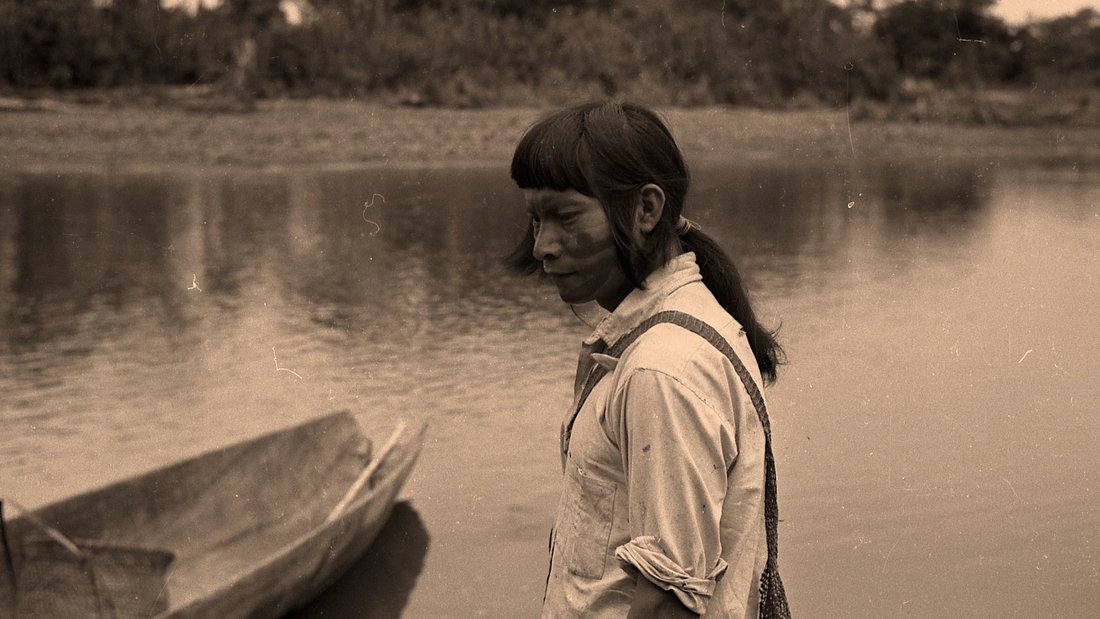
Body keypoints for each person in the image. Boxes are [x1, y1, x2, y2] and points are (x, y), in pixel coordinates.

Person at [507, 101, 790, 618]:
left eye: (565, 217)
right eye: (535, 220)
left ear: (646, 210)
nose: (543, 246)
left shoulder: (662, 367)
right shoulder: (661, 335)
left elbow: (669, 605)